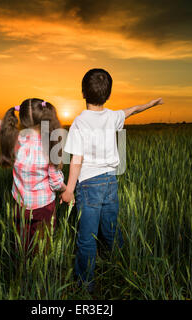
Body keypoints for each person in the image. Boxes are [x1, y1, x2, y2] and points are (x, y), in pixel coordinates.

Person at [61, 68, 163, 291]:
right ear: (108, 95)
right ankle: (123, 268)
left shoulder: (79, 122)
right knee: (111, 230)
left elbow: (76, 160)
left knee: (87, 237)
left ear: (83, 92)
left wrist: (69, 190)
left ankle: (85, 285)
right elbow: (133, 110)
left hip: (89, 184)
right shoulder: (113, 116)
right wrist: (152, 103)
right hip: (111, 182)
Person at [0, 98, 66, 253]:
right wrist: (67, 190)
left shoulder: (15, 139)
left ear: (22, 119)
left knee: (21, 244)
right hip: (44, 206)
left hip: (20, 205)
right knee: (43, 247)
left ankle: (21, 270)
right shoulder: (49, 145)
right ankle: (40, 273)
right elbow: (55, 182)